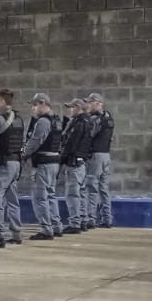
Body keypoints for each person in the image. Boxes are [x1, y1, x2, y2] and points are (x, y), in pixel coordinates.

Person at [23, 93, 62, 241]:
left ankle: (46, 230)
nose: (33, 108)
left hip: (44, 164)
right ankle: (56, 227)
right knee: (51, 195)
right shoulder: (56, 120)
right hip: (54, 162)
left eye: (35, 105)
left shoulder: (43, 121)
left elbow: (35, 141)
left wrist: (23, 154)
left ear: (43, 103)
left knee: (40, 197)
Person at [0, 89, 25, 248]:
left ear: (3, 102)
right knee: (12, 200)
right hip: (16, 163)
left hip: (3, 164)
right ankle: (16, 234)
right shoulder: (18, 119)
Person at [60, 98, 91, 234]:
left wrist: (61, 159)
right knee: (82, 193)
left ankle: (75, 223)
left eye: (72, 107)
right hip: (82, 162)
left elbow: (71, 144)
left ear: (79, 108)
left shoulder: (78, 123)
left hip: (73, 162)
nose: (70, 110)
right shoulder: (88, 122)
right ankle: (83, 220)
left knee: (72, 194)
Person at [84, 92, 114, 229]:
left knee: (92, 188)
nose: (87, 105)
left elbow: (89, 136)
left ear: (98, 104)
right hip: (106, 156)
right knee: (104, 189)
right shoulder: (108, 118)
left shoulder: (95, 120)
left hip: (96, 156)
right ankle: (107, 218)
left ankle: (91, 219)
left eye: (90, 103)